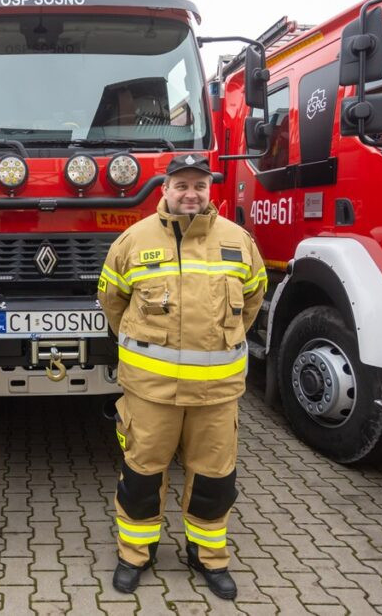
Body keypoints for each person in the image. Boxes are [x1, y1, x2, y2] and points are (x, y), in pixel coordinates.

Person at [97, 154, 267, 600]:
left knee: (214, 478)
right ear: (165, 189)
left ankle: (208, 556)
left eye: (199, 185)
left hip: (216, 393)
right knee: (141, 474)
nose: (190, 194)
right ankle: (136, 554)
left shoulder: (239, 241)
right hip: (150, 393)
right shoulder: (132, 241)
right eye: (181, 185)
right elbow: (112, 303)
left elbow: (252, 302)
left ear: (210, 191)